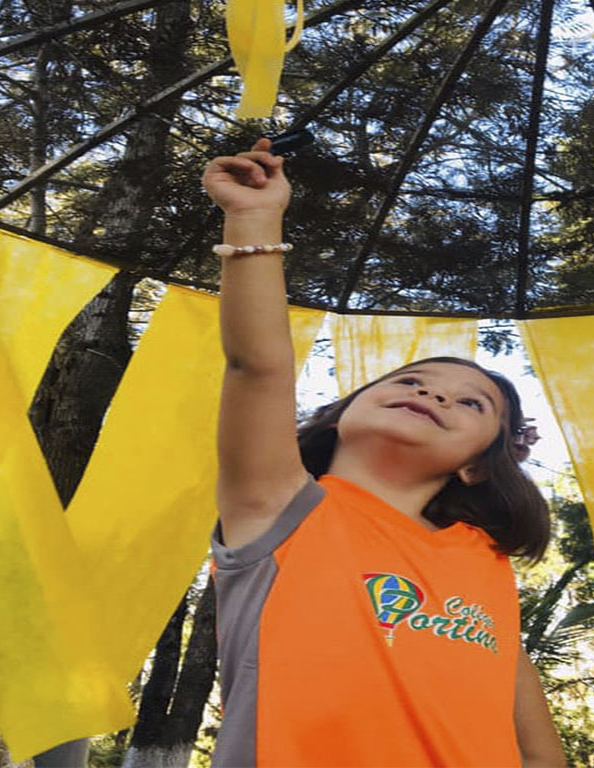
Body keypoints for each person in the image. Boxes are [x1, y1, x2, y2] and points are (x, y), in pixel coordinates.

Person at [202, 138, 568, 768]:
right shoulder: (278, 507)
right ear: (343, 415)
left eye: (472, 403)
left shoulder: (484, 563)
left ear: (476, 464)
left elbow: (538, 754)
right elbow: (257, 366)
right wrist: (254, 220)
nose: (432, 392)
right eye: (410, 380)